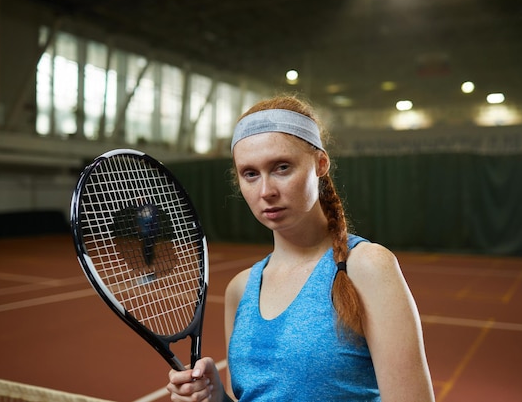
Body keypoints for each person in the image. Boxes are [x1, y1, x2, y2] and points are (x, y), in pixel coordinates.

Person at [166, 95, 435, 401]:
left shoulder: (368, 266)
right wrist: (216, 398)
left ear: (320, 164)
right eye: (250, 174)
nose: (266, 191)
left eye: (282, 167)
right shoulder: (240, 288)